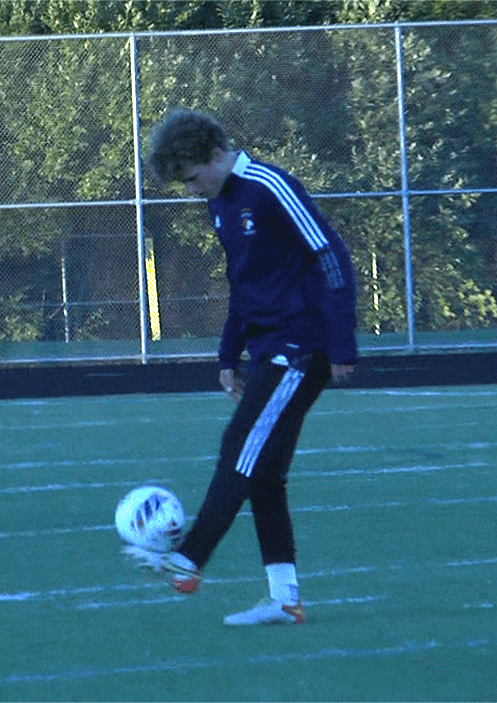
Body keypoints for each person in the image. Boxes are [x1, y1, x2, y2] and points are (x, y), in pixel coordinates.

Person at [125, 108, 358, 626]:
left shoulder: (268, 185)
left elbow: (331, 255)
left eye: (191, 177)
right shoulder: (221, 204)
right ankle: (285, 599)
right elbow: (243, 284)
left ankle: (189, 560)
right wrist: (229, 355)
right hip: (269, 349)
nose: (190, 189)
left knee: (240, 447)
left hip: (301, 348)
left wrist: (342, 342)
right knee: (266, 475)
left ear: (213, 154)